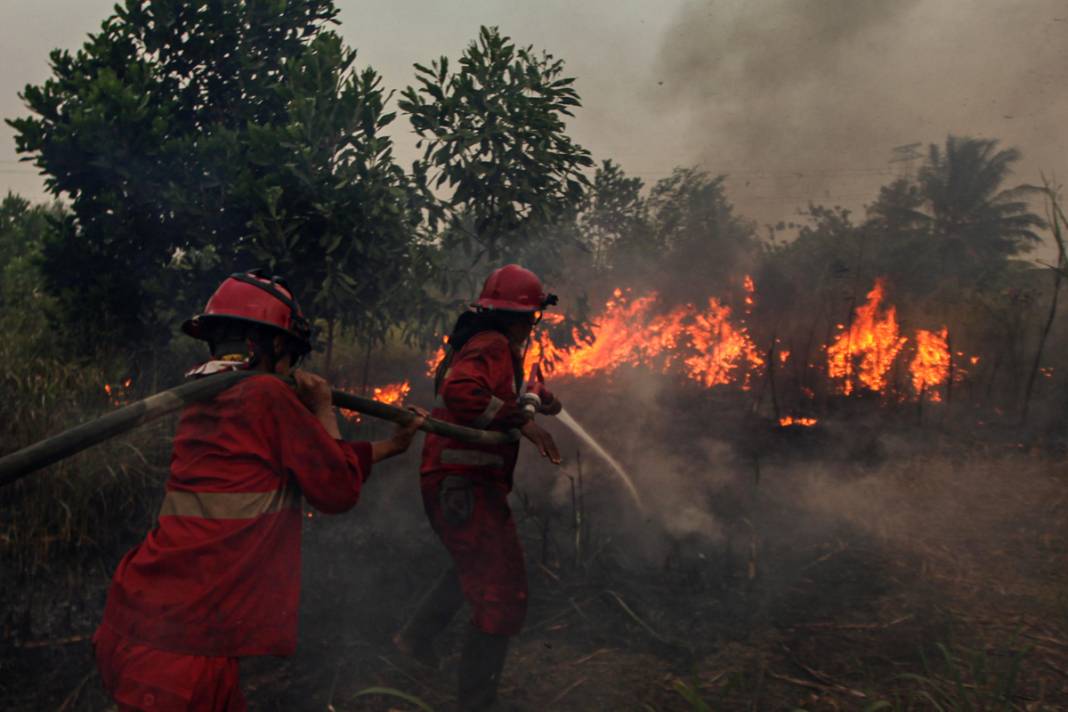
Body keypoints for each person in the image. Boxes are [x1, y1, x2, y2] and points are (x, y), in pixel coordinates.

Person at [92, 270, 426, 711]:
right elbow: (337, 491)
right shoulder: (266, 394)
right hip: (182, 655)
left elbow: (306, 462)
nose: (292, 369)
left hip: (146, 626)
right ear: (269, 346)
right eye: (291, 356)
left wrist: (390, 447)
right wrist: (324, 407)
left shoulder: (206, 399)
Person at [394, 264, 564, 711]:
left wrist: (533, 400)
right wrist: (522, 421)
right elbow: (462, 393)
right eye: (529, 316)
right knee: (503, 595)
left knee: (470, 566)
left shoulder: (489, 346)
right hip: (463, 484)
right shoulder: (490, 344)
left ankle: (415, 639)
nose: (531, 325)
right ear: (516, 316)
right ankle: (475, 703)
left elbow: (488, 396)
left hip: (459, 483)